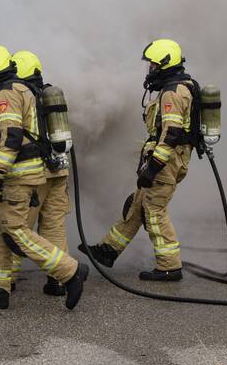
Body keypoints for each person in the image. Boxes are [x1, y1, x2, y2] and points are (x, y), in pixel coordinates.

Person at [0, 45, 89, 309]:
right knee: (0, 231)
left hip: (16, 175)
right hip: (23, 172)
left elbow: (12, 137)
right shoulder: (22, 90)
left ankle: (70, 272)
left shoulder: (6, 93)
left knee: (16, 231)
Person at [80, 38, 196, 281]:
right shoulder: (174, 88)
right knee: (137, 205)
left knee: (154, 211)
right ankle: (108, 250)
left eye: (153, 66)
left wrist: (153, 167)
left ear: (165, 64)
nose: (150, 70)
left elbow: (171, 133)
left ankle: (169, 266)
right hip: (165, 158)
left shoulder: (173, 93)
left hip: (166, 161)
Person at [10, 50, 70, 297]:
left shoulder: (21, 98)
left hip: (38, 173)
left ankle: (6, 279)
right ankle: (59, 280)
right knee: (54, 226)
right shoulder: (48, 96)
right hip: (60, 169)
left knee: (18, 226)